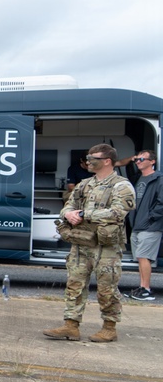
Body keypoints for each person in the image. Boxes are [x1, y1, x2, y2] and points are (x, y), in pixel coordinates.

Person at [43, 144, 135, 342]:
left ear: (107, 161)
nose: (88, 161)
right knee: (74, 284)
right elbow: (68, 204)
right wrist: (68, 213)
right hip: (81, 243)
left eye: (93, 158)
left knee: (106, 288)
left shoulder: (122, 185)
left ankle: (109, 327)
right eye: (88, 157)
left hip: (107, 246)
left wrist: (84, 215)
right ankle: (71, 325)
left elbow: (118, 212)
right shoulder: (85, 184)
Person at [125, 150, 163, 301]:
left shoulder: (159, 179)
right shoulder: (138, 179)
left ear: (152, 161)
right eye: (136, 159)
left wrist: (151, 218)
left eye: (141, 159)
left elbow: (162, 203)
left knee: (143, 256)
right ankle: (142, 288)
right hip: (137, 224)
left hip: (150, 225)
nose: (138, 162)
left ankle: (146, 290)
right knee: (140, 258)